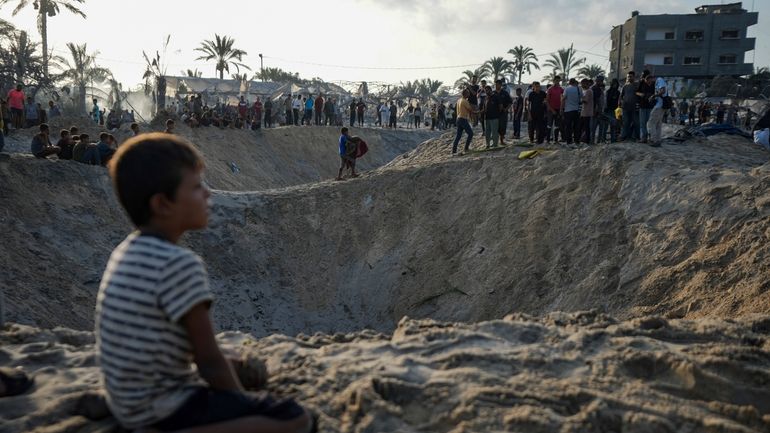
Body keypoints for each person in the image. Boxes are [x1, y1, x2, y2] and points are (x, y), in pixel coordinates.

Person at [97, 133, 314, 432]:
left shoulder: (125, 251)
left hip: (125, 399)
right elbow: (208, 360)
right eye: (198, 186)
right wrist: (240, 405)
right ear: (163, 204)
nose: (208, 194)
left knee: (237, 362)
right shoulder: (179, 264)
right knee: (296, 418)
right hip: (162, 408)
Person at [451, 88, 475, 155]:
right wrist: (477, 112)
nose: (469, 94)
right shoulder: (465, 101)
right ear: (465, 94)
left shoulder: (459, 100)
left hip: (458, 119)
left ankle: (454, 150)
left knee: (458, 136)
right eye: (468, 93)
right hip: (463, 119)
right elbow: (470, 109)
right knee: (470, 134)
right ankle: (466, 148)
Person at [647, 76, 668, 147]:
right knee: (658, 124)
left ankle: (654, 140)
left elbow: (663, 91)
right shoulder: (658, 82)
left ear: (651, 78)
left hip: (659, 106)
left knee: (651, 122)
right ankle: (658, 140)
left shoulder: (659, 80)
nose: (649, 83)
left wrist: (653, 96)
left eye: (648, 81)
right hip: (661, 106)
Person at [619, 71, 639, 141]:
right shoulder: (625, 86)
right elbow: (621, 96)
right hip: (625, 107)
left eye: (630, 76)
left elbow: (639, 95)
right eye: (628, 77)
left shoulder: (637, 85)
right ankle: (624, 136)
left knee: (636, 122)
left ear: (634, 77)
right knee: (625, 122)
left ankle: (636, 136)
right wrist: (620, 103)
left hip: (634, 107)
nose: (629, 78)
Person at [636, 72, 655, 143]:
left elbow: (656, 93)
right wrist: (641, 94)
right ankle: (643, 137)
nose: (649, 82)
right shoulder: (642, 83)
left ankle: (650, 138)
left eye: (650, 80)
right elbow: (636, 92)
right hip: (642, 106)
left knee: (649, 123)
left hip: (650, 106)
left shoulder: (654, 84)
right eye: (647, 80)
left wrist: (653, 96)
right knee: (642, 122)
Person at [561, 78, 581, 144]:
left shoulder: (567, 89)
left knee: (568, 127)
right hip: (576, 110)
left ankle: (569, 141)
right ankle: (576, 140)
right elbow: (582, 97)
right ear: (575, 82)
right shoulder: (578, 89)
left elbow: (563, 99)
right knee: (576, 127)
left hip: (568, 110)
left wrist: (561, 109)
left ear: (569, 82)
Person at [546, 76, 564, 143]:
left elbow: (564, 97)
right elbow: (547, 101)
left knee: (557, 125)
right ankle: (548, 140)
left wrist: (561, 109)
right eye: (556, 80)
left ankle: (556, 140)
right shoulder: (550, 89)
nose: (558, 82)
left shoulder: (560, 89)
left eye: (559, 81)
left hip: (558, 109)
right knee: (549, 125)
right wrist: (552, 109)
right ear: (553, 81)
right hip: (551, 110)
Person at [497, 80, 512, 145]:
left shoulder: (505, 93)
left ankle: (502, 140)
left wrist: (506, 109)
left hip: (503, 113)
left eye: (497, 84)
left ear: (500, 85)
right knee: (496, 127)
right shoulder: (493, 93)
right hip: (495, 113)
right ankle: (495, 140)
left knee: (503, 127)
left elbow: (510, 102)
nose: (496, 86)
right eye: (495, 84)